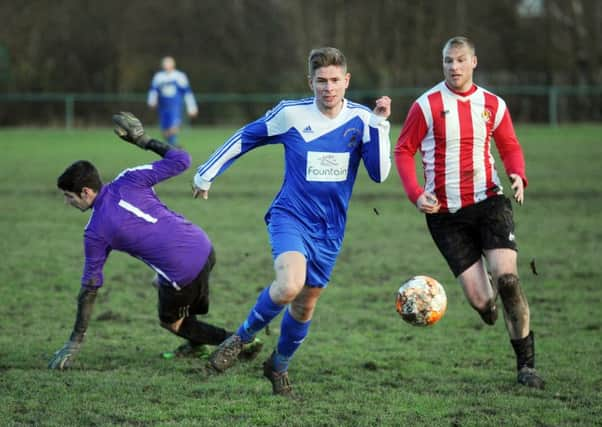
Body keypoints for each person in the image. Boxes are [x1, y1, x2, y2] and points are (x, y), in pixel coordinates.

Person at [192, 47, 392, 396]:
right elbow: (246, 137)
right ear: (310, 82)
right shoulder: (291, 114)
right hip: (291, 216)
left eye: (334, 81)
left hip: (330, 229)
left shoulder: (362, 119)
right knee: (288, 286)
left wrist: (379, 124)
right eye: (320, 81)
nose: (328, 88)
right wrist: (207, 174)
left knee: (305, 304)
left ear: (346, 81)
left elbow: (378, 174)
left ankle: (278, 366)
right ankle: (240, 339)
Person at [48, 112, 260, 370]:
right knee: (160, 282)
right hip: (203, 245)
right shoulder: (129, 178)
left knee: (171, 322)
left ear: (85, 192)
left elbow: (90, 287)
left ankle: (238, 343)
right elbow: (182, 160)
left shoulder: (95, 232)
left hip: (183, 271)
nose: (66, 202)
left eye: (69, 197)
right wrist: (142, 139)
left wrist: (75, 341)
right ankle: (195, 345)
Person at [394, 36, 545, 389]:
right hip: (445, 216)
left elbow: (508, 144)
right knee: (482, 301)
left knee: (507, 279)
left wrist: (518, 174)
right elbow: (403, 151)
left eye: (461, 60)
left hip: (489, 201)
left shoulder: (492, 103)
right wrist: (416, 194)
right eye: (448, 61)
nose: (454, 67)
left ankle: (527, 366)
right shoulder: (427, 105)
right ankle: (487, 303)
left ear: (474, 62)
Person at [147, 56, 198, 146]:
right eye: (165, 63)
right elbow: (153, 90)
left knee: (174, 126)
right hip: (163, 105)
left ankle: (173, 145)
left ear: (173, 64)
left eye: (168, 63)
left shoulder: (179, 76)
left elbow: (187, 92)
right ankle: (171, 144)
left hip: (175, 105)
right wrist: (151, 101)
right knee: (165, 130)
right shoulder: (159, 77)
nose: (166, 65)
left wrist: (192, 108)